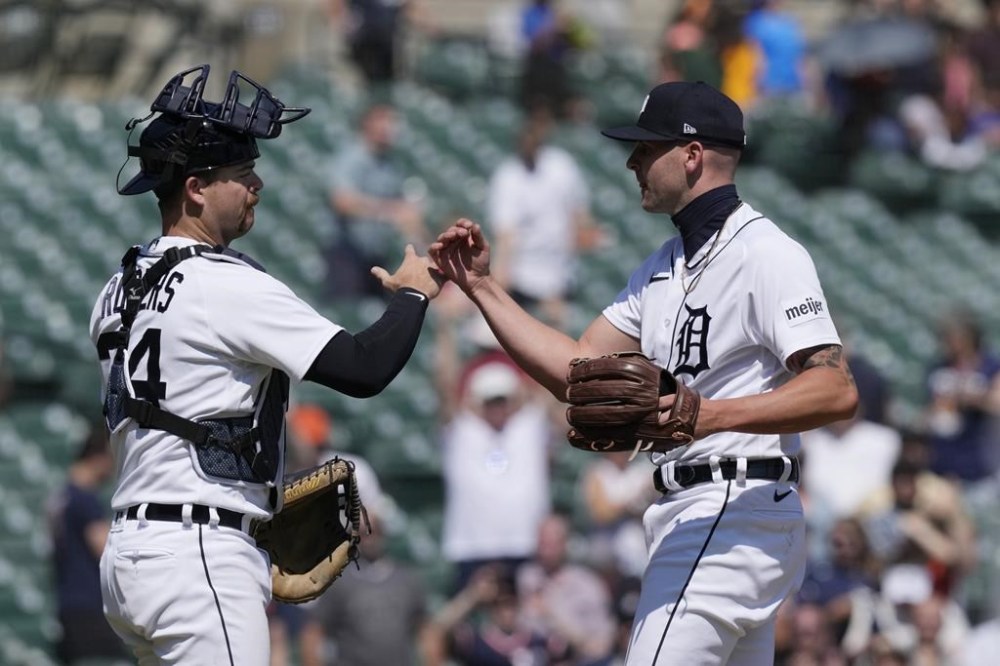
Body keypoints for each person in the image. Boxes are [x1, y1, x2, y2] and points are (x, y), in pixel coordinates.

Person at [431, 80, 859, 664]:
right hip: (696, 512)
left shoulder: (766, 253)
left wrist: (708, 415)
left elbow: (836, 388)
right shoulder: (662, 267)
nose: (632, 160)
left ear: (692, 155)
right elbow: (579, 369)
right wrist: (482, 287)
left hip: (730, 506)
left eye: (647, 147)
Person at [90, 65, 442, 665]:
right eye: (242, 174)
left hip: (130, 556)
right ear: (197, 187)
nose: (256, 184)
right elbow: (363, 368)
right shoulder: (222, 283)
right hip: (198, 556)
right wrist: (413, 294)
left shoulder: (116, 290)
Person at [487, 109, 602, 326]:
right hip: (524, 274)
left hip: (561, 269)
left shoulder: (561, 165)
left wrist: (583, 238)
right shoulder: (508, 176)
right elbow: (506, 233)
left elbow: (579, 212)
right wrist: (502, 275)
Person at [325, 102, 428, 299]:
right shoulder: (352, 157)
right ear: (368, 123)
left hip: (376, 256)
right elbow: (341, 201)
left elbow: (405, 212)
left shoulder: (391, 164)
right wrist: (388, 210)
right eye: (384, 120)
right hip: (348, 256)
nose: (390, 127)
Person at [46, 425, 128, 664]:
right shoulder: (84, 500)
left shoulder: (61, 496)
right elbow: (104, 551)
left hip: (68, 605)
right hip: (90, 608)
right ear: (98, 457)